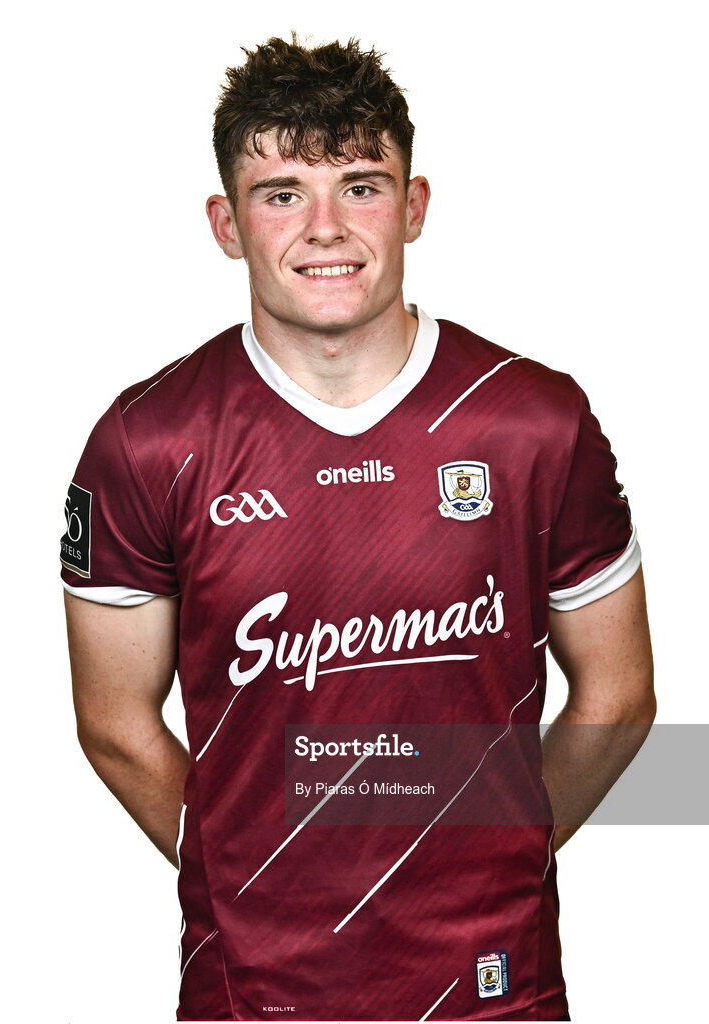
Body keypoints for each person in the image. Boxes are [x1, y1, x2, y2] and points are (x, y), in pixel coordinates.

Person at [61, 34, 655, 1022]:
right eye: (282, 193)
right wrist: (256, 871)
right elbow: (115, 725)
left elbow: (621, 696)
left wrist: (488, 851)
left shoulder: (532, 421)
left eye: (361, 186)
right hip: (253, 992)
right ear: (226, 224)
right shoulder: (149, 440)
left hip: (492, 984)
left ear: (413, 206)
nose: (325, 228)